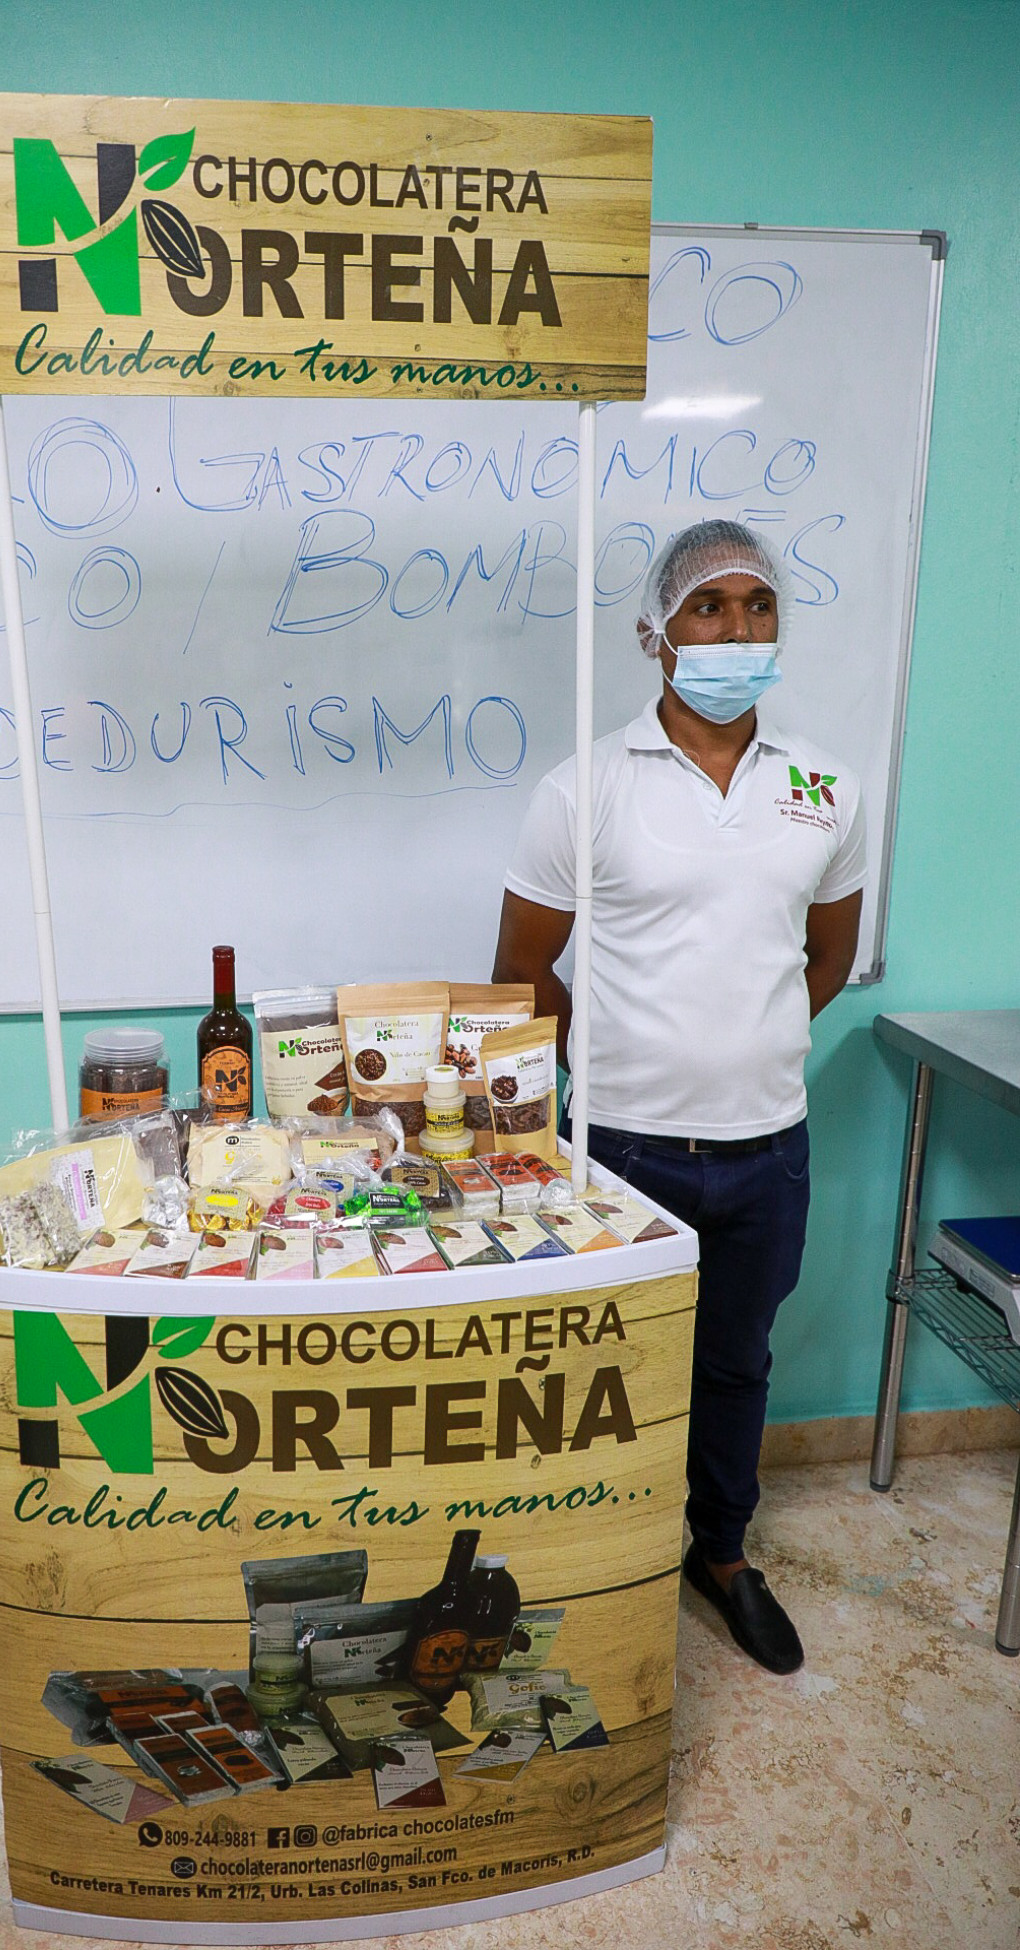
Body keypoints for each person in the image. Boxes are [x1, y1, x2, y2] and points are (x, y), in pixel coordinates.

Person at [492, 519, 865, 1675]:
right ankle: (590, 1556)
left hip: (766, 1148)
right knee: (594, 1371)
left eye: (758, 607)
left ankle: (721, 1553)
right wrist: (624, 1066)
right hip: (619, 1151)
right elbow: (522, 972)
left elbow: (829, 956)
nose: (736, 630)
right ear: (657, 633)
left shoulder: (822, 786)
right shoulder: (585, 787)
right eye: (709, 607)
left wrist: (745, 1045)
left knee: (735, 1363)